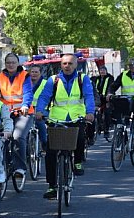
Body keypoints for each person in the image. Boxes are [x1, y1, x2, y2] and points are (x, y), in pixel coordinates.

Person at [34, 53, 95, 199]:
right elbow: (44, 97)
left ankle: (78, 162)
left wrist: (90, 112)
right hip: (57, 118)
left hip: (77, 117)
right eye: (65, 63)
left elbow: (88, 96)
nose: (67, 66)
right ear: (61, 65)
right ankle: (51, 186)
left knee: (80, 138)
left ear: (76, 65)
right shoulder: (53, 80)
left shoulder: (82, 79)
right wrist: (40, 111)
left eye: (70, 63)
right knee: (50, 152)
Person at [0, 53, 32, 179]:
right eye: (8, 63)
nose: (11, 65)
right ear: (5, 64)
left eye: (13, 62)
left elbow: (28, 92)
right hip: (5, 112)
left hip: (22, 112)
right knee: (0, 136)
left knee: (17, 136)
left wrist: (25, 105)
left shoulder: (25, 75)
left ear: (18, 63)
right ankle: (4, 163)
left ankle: (20, 168)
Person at [90, 65, 114, 141]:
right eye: (101, 70)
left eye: (104, 70)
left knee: (107, 112)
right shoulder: (96, 78)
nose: (102, 71)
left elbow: (111, 87)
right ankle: (96, 127)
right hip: (98, 98)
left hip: (106, 98)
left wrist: (109, 95)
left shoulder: (110, 78)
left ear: (106, 71)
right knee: (93, 112)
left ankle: (106, 130)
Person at [28, 65, 48, 148]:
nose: (34, 74)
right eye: (32, 72)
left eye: (36, 72)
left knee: (40, 124)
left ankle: (44, 144)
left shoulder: (45, 83)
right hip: (28, 109)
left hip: (41, 110)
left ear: (40, 73)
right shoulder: (26, 83)